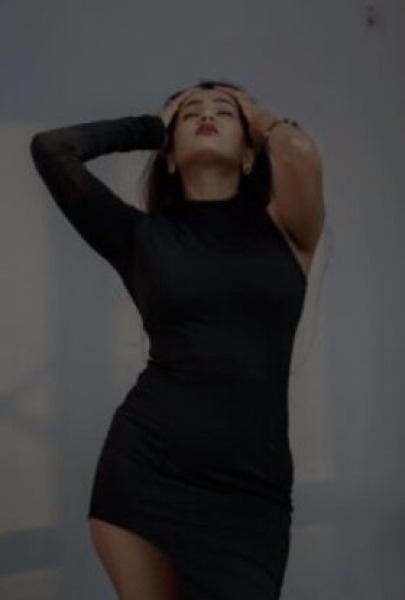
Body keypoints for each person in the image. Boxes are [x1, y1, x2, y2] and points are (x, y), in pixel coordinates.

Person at [29, 79, 325, 599]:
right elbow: (53, 150)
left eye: (224, 112)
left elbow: (297, 148)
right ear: (167, 155)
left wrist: (256, 117)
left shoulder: (287, 228)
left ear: (251, 154)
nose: (206, 115)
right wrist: (149, 127)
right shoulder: (139, 237)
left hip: (252, 488)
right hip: (147, 471)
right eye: (190, 114)